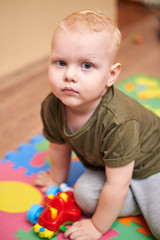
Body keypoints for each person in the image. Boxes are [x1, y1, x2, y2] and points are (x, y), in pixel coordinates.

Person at [34, 10, 160, 240]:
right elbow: (59, 147)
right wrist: (56, 179)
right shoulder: (52, 106)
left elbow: (117, 185)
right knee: (83, 197)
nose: (70, 75)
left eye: (87, 66)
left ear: (111, 75)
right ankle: (136, 200)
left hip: (152, 166)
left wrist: (97, 226)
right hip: (114, 169)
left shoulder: (118, 120)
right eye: (61, 63)